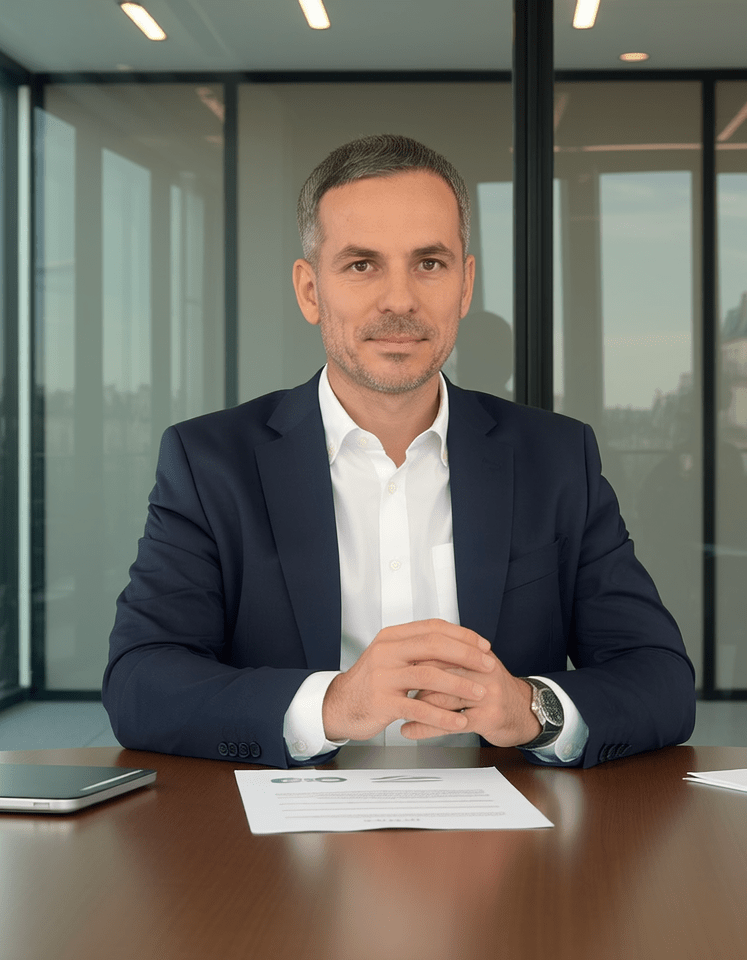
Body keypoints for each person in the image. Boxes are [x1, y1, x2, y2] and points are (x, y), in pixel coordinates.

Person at [103, 134, 696, 769]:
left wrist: (528, 708)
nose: (400, 300)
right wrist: (331, 705)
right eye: (362, 265)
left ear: (465, 285)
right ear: (310, 291)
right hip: (285, 823)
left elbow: (660, 679)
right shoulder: (209, 461)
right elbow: (142, 681)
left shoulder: (556, 457)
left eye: (429, 263)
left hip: (508, 823)